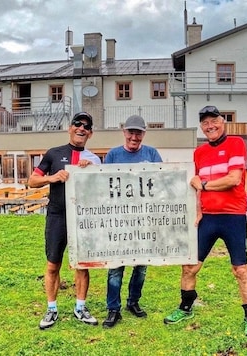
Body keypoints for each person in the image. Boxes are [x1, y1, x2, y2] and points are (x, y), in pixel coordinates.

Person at [163, 105, 247, 337]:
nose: (210, 126)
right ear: (201, 127)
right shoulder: (199, 152)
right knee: (190, 266)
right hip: (208, 218)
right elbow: (197, 184)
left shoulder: (236, 143)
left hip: (233, 217)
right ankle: (186, 308)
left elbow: (234, 179)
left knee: (241, 269)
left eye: (214, 121)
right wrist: (198, 209)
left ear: (222, 121)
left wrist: (204, 185)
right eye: (205, 123)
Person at [29, 112, 102, 330]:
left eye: (86, 126)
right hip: (57, 216)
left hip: (82, 217)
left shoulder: (95, 159)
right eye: (77, 124)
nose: (81, 128)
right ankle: (51, 309)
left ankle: (80, 307)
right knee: (53, 264)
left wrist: (93, 171)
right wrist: (52, 177)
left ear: (90, 133)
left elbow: (100, 191)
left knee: (81, 264)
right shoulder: (53, 154)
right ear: (69, 128)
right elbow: (32, 180)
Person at [101, 115, 163, 328]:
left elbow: (162, 182)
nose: (134, 137)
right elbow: (103, 185)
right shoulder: (113, 155)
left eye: (138, 133)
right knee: (116, 266)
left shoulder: (152, 154)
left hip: (144, 219)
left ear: (144, 134)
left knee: (141, 266)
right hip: (119, 219)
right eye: (131, 132)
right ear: (124, 132)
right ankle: (113, 308)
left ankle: (133, 301)